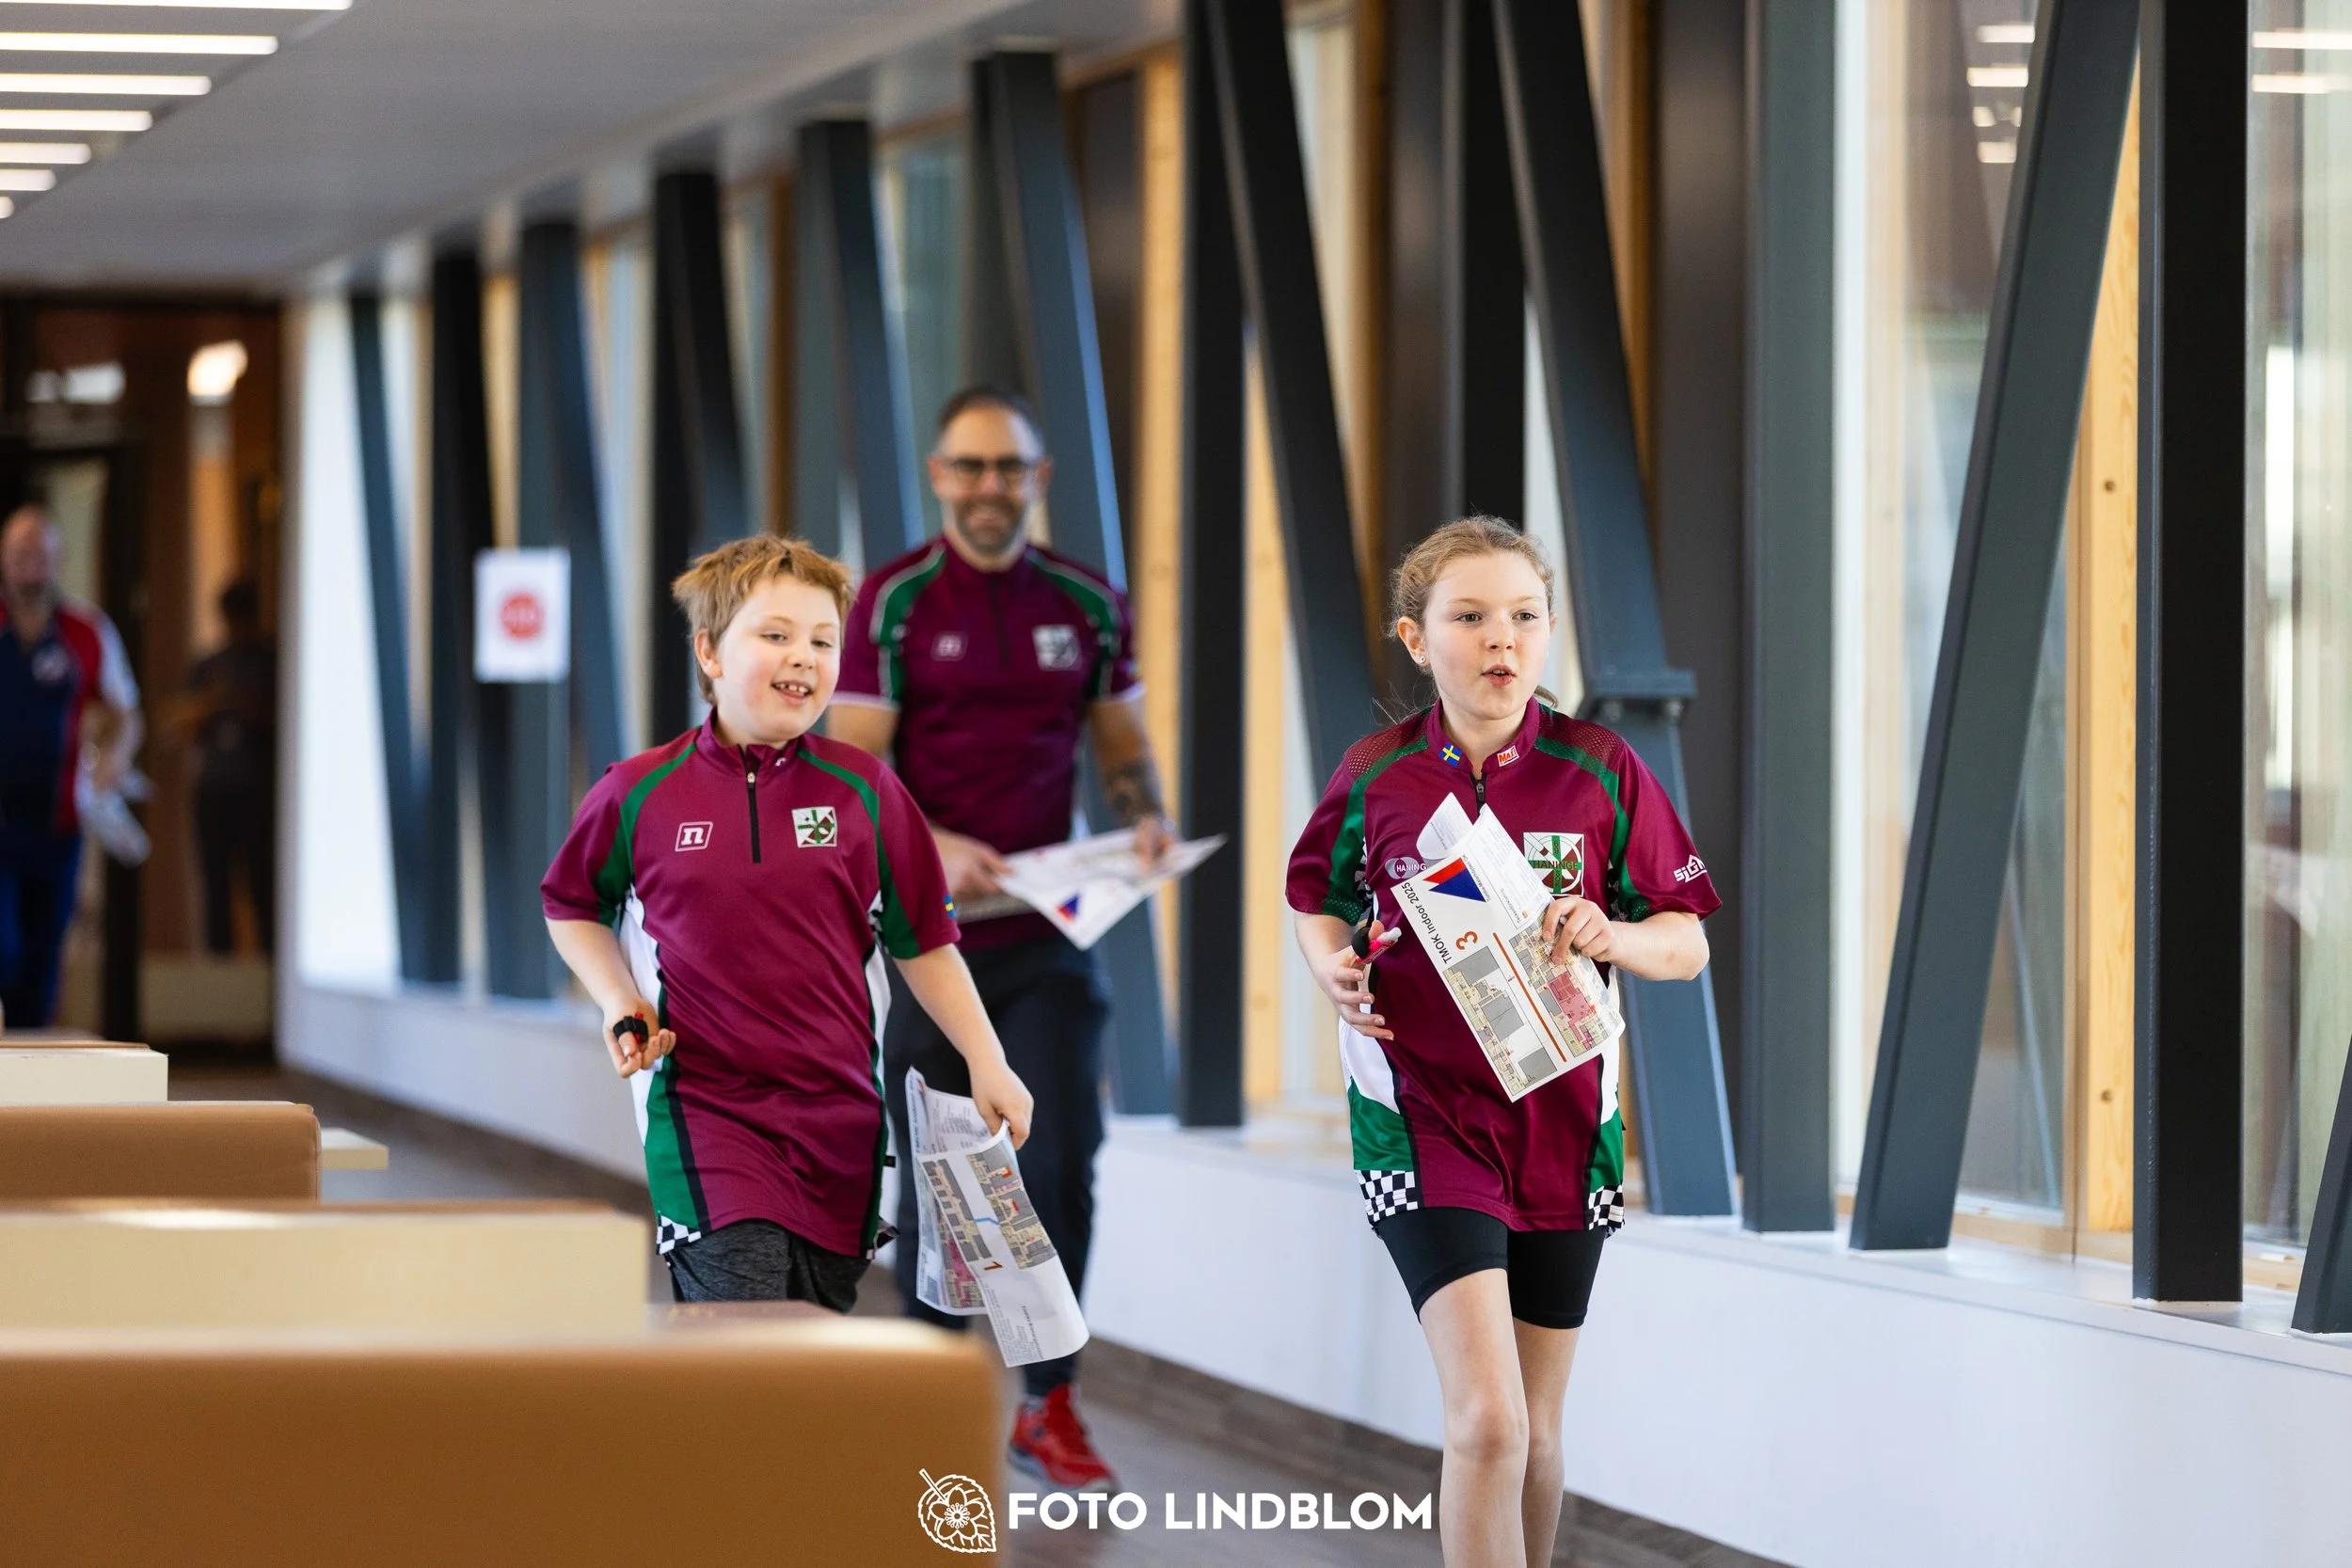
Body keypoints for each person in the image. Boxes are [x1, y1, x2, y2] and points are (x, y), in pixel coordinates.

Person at [1286, 517, 1718, 1568]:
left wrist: (1612, 931)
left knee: (1535, 1431)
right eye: (1470, 615)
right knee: (1486, 1420)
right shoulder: (1376, 773)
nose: (1501, 639)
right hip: (1420, 1120)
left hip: (1567, 1128)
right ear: (1415, 635)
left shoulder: (1601, 768)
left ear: (1550, 631)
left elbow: (1687, 941)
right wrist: (1332, 970)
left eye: (1524, 616)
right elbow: (1315, 899)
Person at [542, 535, 1033, 1310]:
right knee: (743, 1350)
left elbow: (926, 944)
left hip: (839, 1125)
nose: (802, 655)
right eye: (774, 635)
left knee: (802, 1367)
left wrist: (988, 1060)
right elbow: (571, 904)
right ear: (709, 651)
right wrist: (616, 998)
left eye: (822, 640)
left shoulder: (867, 793)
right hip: (706, 1112)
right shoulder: (637, 792)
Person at [831, 386, 1170, 1490]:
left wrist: (1146, 815)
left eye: (1007, 468)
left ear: (1040, 478)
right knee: (940, 1171)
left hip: (1048, 932)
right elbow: (854, 776)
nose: (988, 487)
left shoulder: (1087, 600)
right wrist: (936, 840)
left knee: (1062, 1157)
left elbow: (1118, 739)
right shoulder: (890, 603)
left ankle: (1049, 1403)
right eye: (968, 467)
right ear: (938, 477)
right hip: (932, 943)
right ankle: (927, 1403)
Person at [0, 502, 141, 1028]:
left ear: (59, 558)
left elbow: (125, 712)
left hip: (58, 825)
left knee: (41, 962)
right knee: (3, 950)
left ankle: (28, 1093)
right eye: (19, 552)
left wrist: (115, 758)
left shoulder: (86, 632)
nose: (29, 563)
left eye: (40, 552)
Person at [183, 578, 278, 955]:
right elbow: (182, 722)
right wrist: (212, 706)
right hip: (214, 789)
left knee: (262, 886)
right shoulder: (209, 667)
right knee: (215, 887)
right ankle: (217, 977)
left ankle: (269, 969)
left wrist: (247, 706)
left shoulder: (273, 663)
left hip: (258, 789)